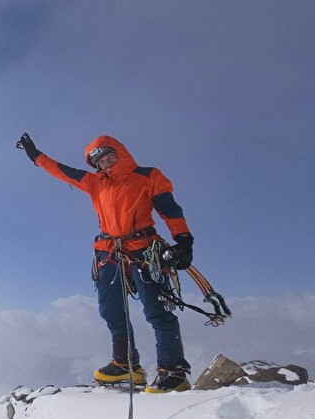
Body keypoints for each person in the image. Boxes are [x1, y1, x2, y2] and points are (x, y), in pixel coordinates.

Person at [15, 132, 195, 393]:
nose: (106, 163)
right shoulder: (95, 183)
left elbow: (170, 210)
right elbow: (62, 171)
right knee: (111, 309)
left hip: (144, 251)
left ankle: (173, 371)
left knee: (156, 310)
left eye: (109, 155)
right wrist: (35, 156)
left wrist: (184, 240)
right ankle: (125, 363)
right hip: (108, 252)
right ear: (95, 165)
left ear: (121, 152)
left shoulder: (148, 176)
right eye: (100, 161)